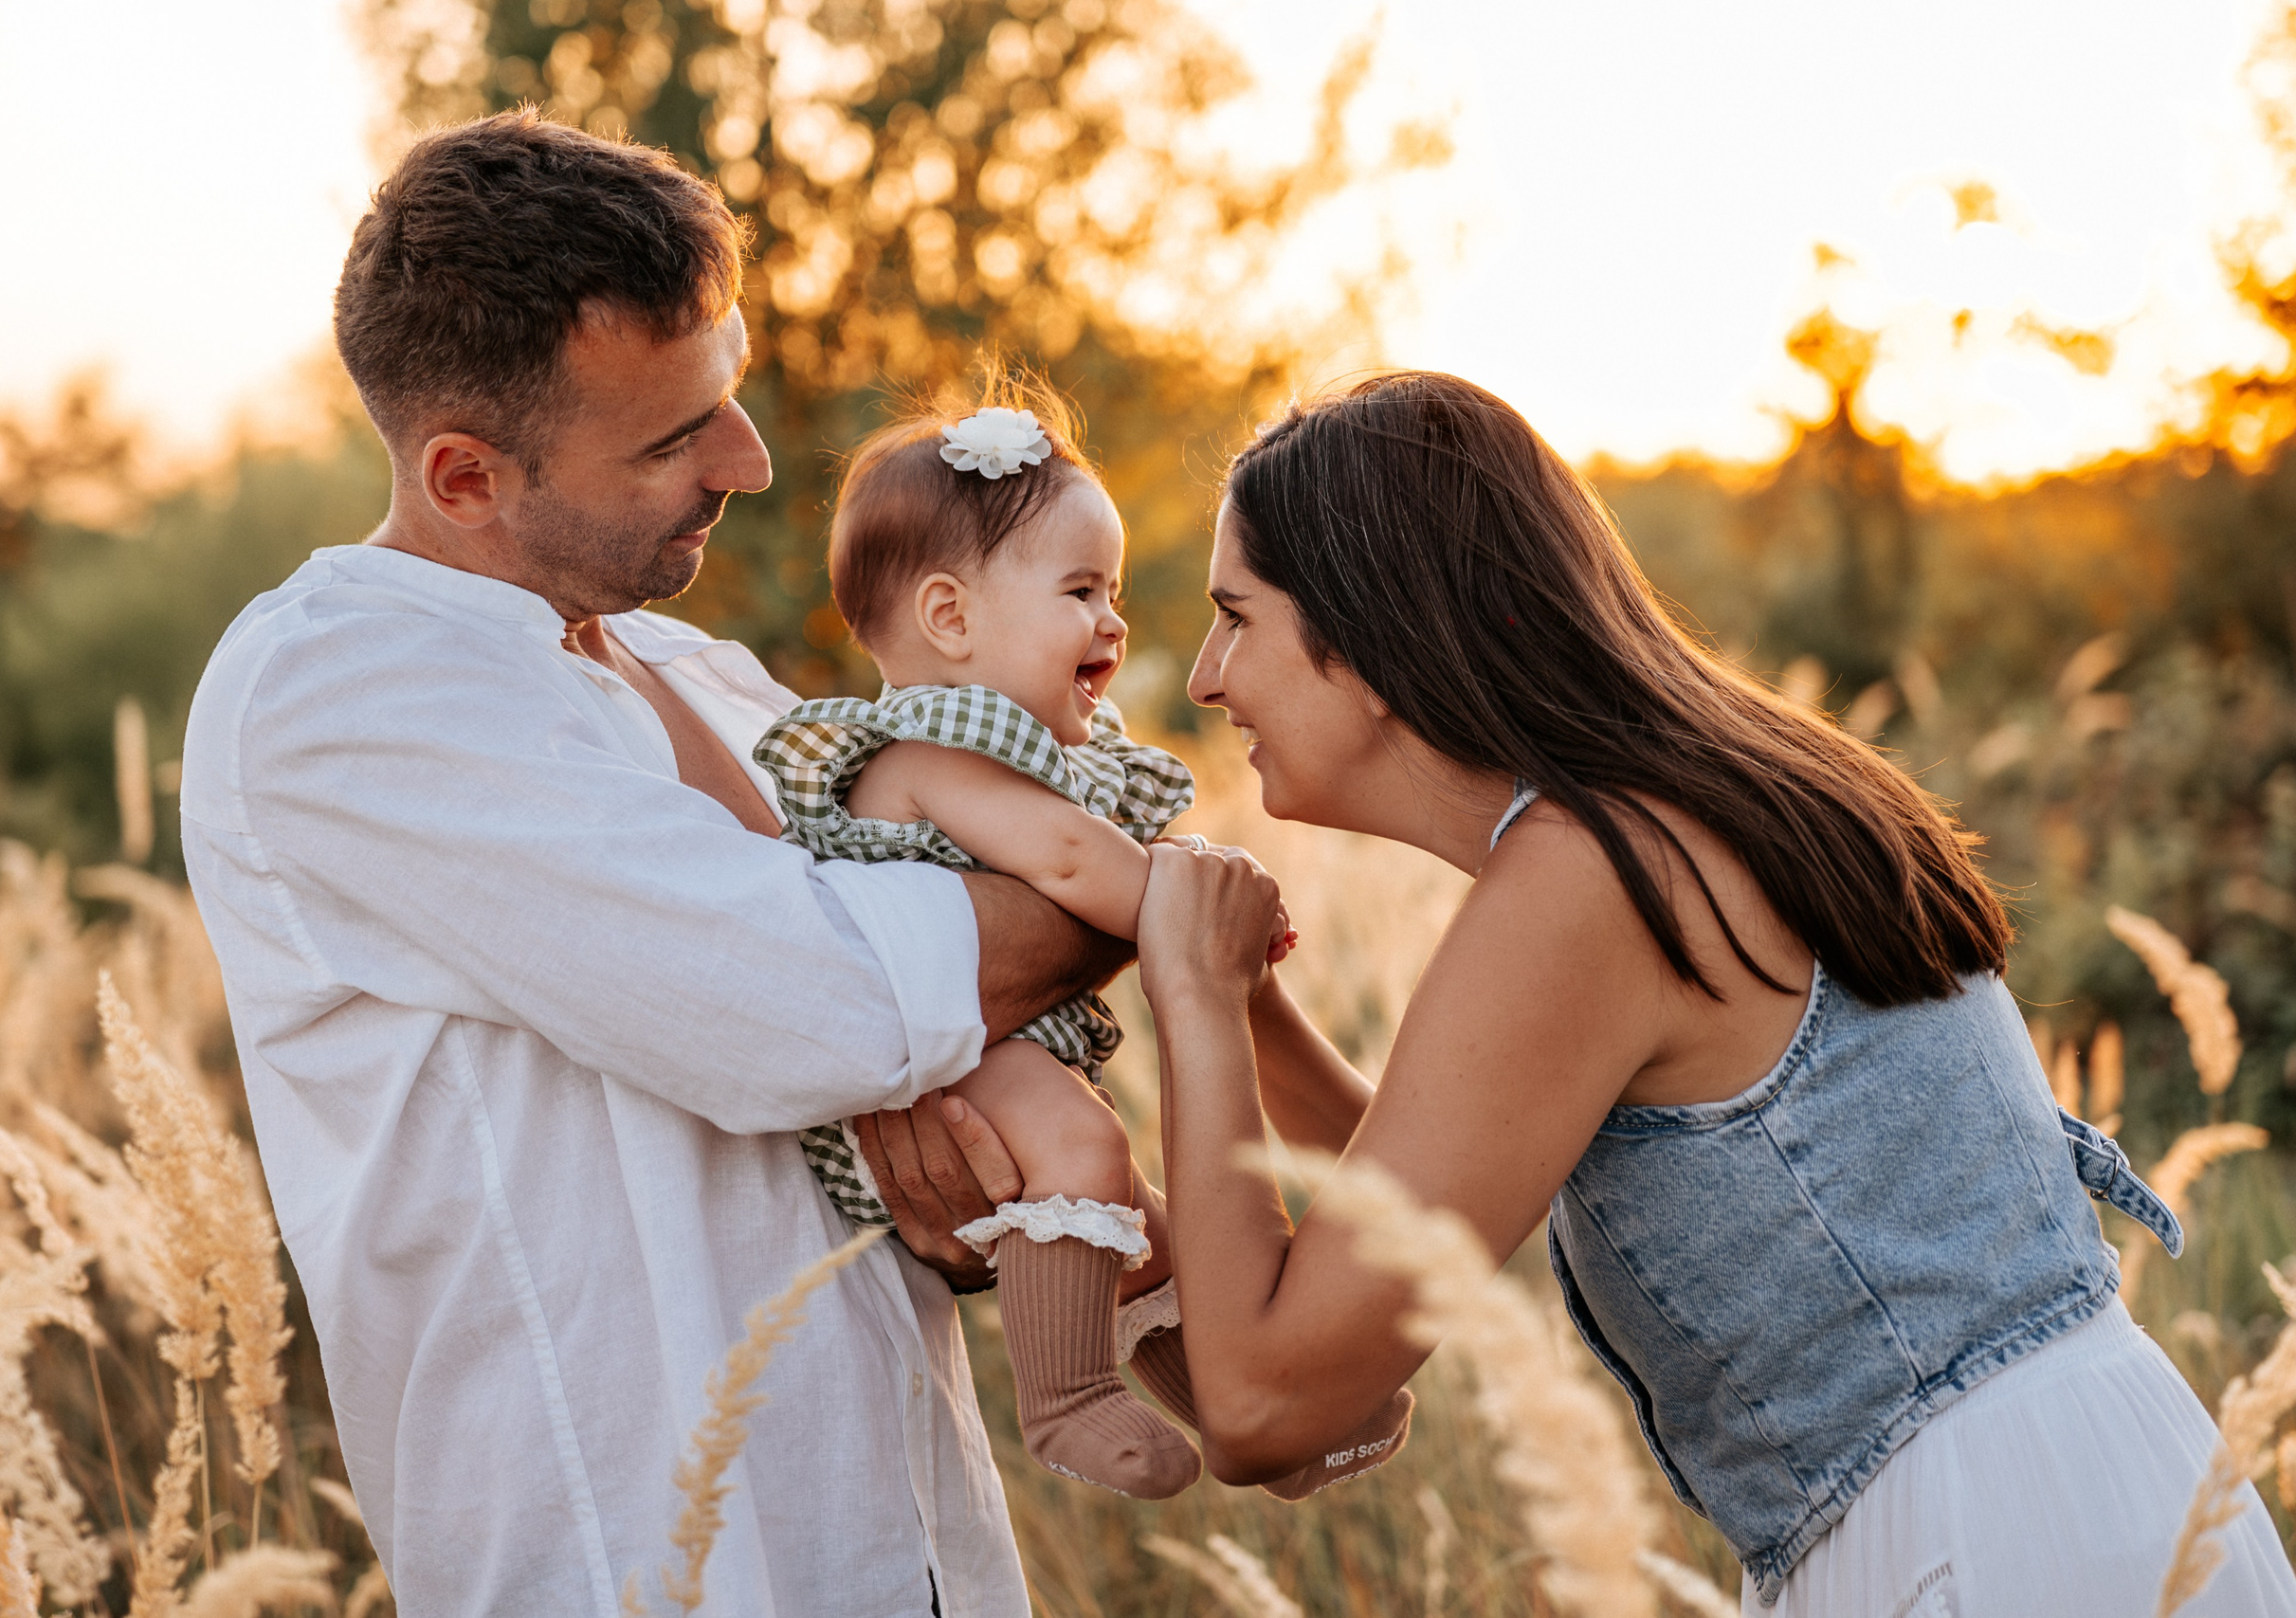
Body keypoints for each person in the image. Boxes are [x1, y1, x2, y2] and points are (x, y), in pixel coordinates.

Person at [1134, 371, 2296, 1612]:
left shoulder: (1590, 877)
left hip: (1979, 1542)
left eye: (1235, 613)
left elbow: (1265, 1402)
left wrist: (1194, 1001)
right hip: (2083, 1487)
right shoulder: (1686, 801)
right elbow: (1439, 1171)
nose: (1205, 674)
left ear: (1369, 634)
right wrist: (1250, 1005)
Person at [180, 109, 1101, 1618]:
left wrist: (952, 1144)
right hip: (633, 1558)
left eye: (724, 394)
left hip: (907, 1535)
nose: (745, 458)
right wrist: (1102, 899)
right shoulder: (340, 688)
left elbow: (926, 998)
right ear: (466, 475)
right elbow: (836, 999)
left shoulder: (700, 666)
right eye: (673, 436)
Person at [750, 374, 1409, 1500]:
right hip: (932, 1076)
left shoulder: (1010, 747)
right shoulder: (924, 754)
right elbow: (1066, 861)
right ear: (950, 619)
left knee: (1136, 1226)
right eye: (1079, 590)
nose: (1112, 619)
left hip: (981, 1051)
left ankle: (1248, 1407)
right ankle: (1064, 1400)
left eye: (1109, 590)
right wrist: (1193, 901)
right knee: (1090, 1159)